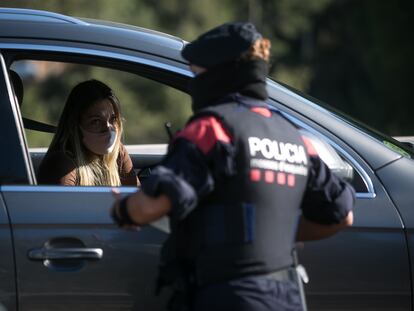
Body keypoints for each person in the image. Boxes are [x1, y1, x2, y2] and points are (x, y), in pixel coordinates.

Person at [111, 22, 354, 311]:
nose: (193, 82)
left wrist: (124, 211)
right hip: (286, 297)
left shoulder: (212, 130)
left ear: (219, 74)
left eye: (196, 73)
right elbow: (341, 216)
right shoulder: (296, 138)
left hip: (228, 297)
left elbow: (151, 206)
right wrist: (274, 232)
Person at [38, 79, 139, 187]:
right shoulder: (61, 164)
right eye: (96, 121)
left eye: (113, 119)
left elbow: (139, 199)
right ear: (75, 125)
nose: (107, 128)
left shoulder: (117, 153)